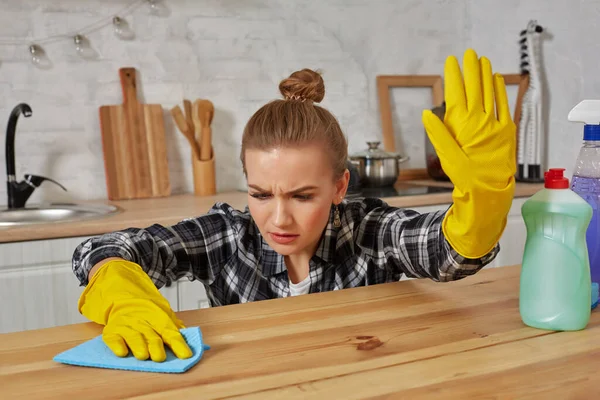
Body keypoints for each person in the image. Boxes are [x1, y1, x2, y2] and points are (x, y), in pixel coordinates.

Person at [72, 48, 516, 362]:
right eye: (261, 194)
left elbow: (449, 255)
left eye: (303, 196)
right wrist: (123, 296)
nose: (278, 219)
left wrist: (484, 202)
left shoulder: (367, 230)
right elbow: (105, 247)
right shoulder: (228, 235)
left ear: (341, 186)